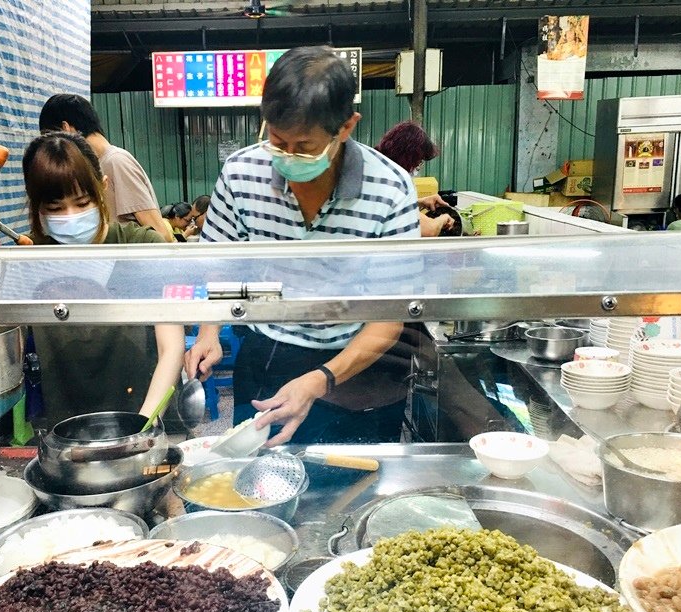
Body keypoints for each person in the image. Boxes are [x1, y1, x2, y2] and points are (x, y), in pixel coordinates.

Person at [184, 46, 421, 447]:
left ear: (346, 127)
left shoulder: (391, 189)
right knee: (254, 475)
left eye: (305, 146)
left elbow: (390, 319)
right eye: (277, 141)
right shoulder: (242, 174)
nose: (287, 157)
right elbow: (222, 268)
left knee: (348, 488)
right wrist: (210, 330)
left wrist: (321, 381)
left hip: (355, 360)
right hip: (268, 352)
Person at [21, 132, 185, 426]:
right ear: (37, 207)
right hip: (66, 429)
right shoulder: (28, 257)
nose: (71, 216)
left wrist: (143, 426)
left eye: (83, 203)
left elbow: (171, 346)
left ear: (103, 188)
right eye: (55, 209)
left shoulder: (141, 247)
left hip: (149, 416)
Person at [39, 94, 174, 243]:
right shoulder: (97, 163)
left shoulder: (116, 162)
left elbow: (161, 235)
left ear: (66, 128)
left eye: (50, 138)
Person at [376, 121, 456, 237]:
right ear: (409, 156)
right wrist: (443, 219)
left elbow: (389, 207)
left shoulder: (379, 167)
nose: (418, 166)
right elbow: (429, 230)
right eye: (419, 161)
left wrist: (419, 202)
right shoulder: (393, 179)